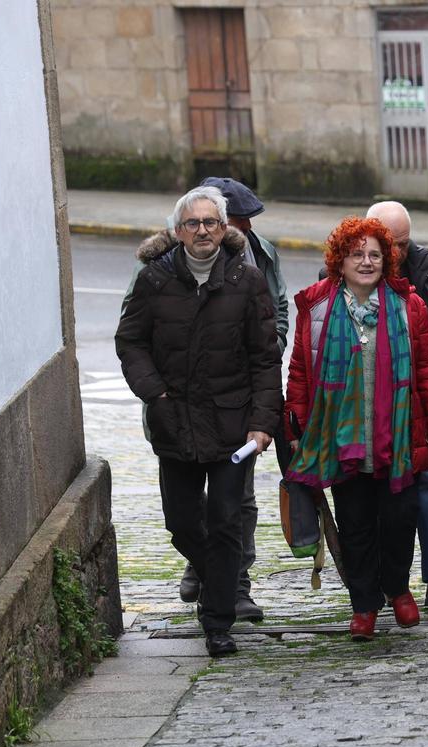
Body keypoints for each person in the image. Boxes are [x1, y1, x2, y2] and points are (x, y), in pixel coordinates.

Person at [116, 186, 282, 657]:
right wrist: (157, 393)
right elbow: (130, 343)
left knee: (227, 520)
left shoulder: (247, 280)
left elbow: (265, 358)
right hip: (175, 422)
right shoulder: (154, 280)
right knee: (182, 522)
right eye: (194, 223)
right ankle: (220, 579)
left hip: (232, 426)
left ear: (224, 228)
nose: (203, 230)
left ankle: (218, 622)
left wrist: (262, 421)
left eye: (211, 222)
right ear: (178, 232)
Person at [282, 217, 428, 641]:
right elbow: (300, 370)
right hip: (341, 436)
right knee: (355, 523)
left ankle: (396, 587)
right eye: (357, 254)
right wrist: (297, 422)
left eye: (374, 254)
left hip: (398, 435)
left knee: (400, 518)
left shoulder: (408, 305)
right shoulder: (316, 305)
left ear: (387, 260)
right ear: (339, 260)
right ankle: (364, 605)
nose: (366, 261)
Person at [172, 177, 290, 622]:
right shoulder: (167, 259)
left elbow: (278, 306)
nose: (237, 228)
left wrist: (270, 343)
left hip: (238, 402)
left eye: (237, 221)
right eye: (229, 220)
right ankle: (201, 564)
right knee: (187, 504)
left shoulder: (260, 255)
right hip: (184, 405)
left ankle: (237, 584)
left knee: (237, 497)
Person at [366, 200, 428, 609]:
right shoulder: (343, 268)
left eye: (403, 243)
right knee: (370, 493)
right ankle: (384, 580)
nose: (397, 253)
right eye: (389, 243)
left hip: (416, 402)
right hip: (367, 404)